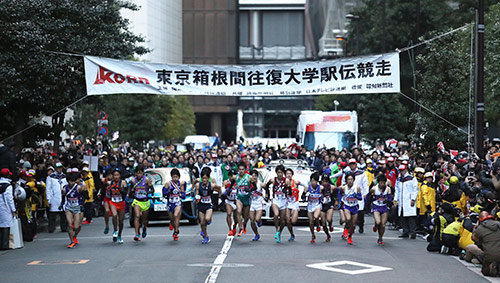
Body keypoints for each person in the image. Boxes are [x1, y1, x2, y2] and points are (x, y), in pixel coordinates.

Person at [61, 168, 87, 248]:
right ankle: (71, 241)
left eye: (72, 181)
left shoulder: (78, 187)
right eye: (69, 181)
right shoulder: (64, 188)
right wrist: (61, 204)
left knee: (77, 226)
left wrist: (84, 191)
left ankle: (75, 236)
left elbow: (84, 196)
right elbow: (63, 197)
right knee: (69, 224)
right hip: (68, 208)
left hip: (77, 208)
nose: (71, 183)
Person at [195, 167, 220, 244]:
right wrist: (197, 197)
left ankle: (209, 220)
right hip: (201, 205)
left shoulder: (211, 185)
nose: (204, 180)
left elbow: (219, 189)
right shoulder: (198, 185)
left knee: (207, 218)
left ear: (208, 178)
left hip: (209, 204)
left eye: (206, 178)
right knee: (202, 222)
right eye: (203, 178)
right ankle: (206, 236)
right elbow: (196, 193)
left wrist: (219, 198)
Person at [472, 211, 500, 277]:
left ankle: (493, 267)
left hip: (489, 255)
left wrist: (476, 227)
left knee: (485, 272)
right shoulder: (498, 224)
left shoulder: (480, 228)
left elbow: (474, 238)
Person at [394, 164, 419, 239]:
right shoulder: (399, 179)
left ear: (406, 170)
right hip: (402, 201)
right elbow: (397, 190)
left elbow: (415, 189)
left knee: (411, 217)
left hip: (409, 200)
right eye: (400, 170)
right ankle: (405, 231)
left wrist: (413, 199)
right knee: (402, 216)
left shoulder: (412, 178)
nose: (401, 172)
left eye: (402, 170)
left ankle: (412, 232)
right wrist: (395, 199)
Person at [130, 165, 154, 241]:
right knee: (137, 216)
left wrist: (147, 192)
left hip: (145, 201)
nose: (139, 175)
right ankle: (137, 234)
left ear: (143, 173)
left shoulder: (147, 180)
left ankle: (144, 228)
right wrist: (131, 193)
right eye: (138, 173)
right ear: (135, 173)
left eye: (140, 173)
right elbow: (130, 190)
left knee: (144, 220)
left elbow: (152, 189)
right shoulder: (133, 180)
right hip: (137, 201)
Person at [338, 172, 362, 245]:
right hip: (346, 205)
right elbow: (339, 194)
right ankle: (346, 229)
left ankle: (350, 236)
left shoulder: (357, 188)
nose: (350, 181)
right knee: (348, 219)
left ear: (354, 180)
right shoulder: (343, 187)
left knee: (353, 225)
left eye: (351, 179)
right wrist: (339, 201)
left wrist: (356, 195)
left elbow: (360, 198)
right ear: (346, 180)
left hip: (354, 206)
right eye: (348, 179)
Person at [162, 168, 185, 241]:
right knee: (172, 219)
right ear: (171, 177)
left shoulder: (181, 183)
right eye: (173, 176)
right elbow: (164, 194)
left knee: (176, 216)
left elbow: (183, 193)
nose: (175, 178)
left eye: (176, 177)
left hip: (177, 202)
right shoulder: (168, 183)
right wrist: (169, 191)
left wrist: (182, 195)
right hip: (170, 202)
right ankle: (173, 226)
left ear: (179, 177)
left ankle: (176, 232)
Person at [303, 172, 327, 243]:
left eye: (314, 181)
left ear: (317, 181)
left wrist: (323, 198)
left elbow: (325, 195)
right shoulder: (307, 187)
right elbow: (302, 196)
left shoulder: (321, 188)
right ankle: (313, 235)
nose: (313, 182)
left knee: (316, 217)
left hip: (317, 205)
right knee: (310, 222)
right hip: (310, 205)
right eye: (312, 181)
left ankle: (318, 224)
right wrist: (305, 195)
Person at [266, 164, 287, 243]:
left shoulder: (286, 180)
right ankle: (277, 230)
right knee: (276, 214)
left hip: (283, 201)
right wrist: (267, 194)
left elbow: (289, 190)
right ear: (276, 173)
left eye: (281, 172)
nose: (280, 174)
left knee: (282, 221)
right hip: (275, 200)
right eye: (278, 172)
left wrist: (287, 190)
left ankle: (279, 233)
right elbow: (266, 186)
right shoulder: (273, 180)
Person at [46, 162, 68, 233]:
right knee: (53, 214)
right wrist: (48, 199)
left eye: (61, 168)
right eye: (58, 168)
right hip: (54, 198)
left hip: (63, 197)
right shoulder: (50, 177)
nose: (60, 169)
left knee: (63, 214)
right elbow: (48, 189)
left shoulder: (64, 176)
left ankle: (64, 227)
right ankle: (51, 228)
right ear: (55, 169)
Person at [106, 168, 127, 244]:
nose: (116, 177)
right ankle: (115, 230)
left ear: (120, 175)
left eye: (117, 175)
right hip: (113, 202)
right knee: (114, 215)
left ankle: (119, 234)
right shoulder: (109, 183)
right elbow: (104, 190)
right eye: (114, 175)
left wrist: (121, 189)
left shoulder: (123, 182)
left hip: (121, 202)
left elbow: (125, 193)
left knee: (121, 221)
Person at [370, 174, 392, 245]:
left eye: (383, 183)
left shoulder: (388, 189)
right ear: (378, 182)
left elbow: (390, 198)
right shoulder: (374, 188)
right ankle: (376, 226)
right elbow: (369, 197)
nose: (382, 184)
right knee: (378, 222)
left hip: (384, 207)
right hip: (376, 206)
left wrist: (388, 201)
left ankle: (380, 238)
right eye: (381, 182)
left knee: (383, 225)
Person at [0, 168, 16, 250]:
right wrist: (13, 210)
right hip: (5, 208)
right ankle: (5, 245)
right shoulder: (8, 186)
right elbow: (10, 199)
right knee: (6, 226)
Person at [235, 162, 251, 237]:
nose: (241, 171)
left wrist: (250, 188)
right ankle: (240, 228)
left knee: (246, 216)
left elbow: (254, 186)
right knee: (238, 211)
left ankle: (244, 225)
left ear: (245, 170)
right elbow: (231, 183)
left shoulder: (249, 177)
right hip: (239, 197)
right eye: (240, 169)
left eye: (242, 169)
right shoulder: (236, 177)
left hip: (247, 198)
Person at [285, 168, 301, 242]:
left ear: (292, 175)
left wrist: (305, 192)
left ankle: (291, 232)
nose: (288, 175)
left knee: (293, 221)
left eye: (290, 174)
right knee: (288, 221)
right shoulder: (283, 183)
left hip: (295, 203)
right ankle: (292, 234)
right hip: (287, 204)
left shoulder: (296, 182)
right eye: (287, 173)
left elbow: (306, 185)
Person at [249, 169, 264, 241]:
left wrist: (267, 196)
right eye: (252, 176)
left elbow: (266, 189)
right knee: (252, 221)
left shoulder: (260, 184)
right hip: (251, 203)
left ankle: (259, 221)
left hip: (259, 203)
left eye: (255, 176)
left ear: (257, 177)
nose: (254, 177)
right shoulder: (249, 183)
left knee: (257, 219)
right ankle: (256, 234)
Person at [222, 170, 238, 236]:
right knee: (229, 214)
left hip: (236, 201)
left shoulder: (238, 182)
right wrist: (226, 190)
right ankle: (230, 229)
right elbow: (222, 191)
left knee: (236, 217)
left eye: (233, 175)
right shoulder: (226, 182)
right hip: (229, 201)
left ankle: (234, 227)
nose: (232, 177)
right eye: (230, 175)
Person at [98, 169, 113, 235]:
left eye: (110, 175)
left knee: (114, 214)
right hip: (106, 198)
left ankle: (115, 228)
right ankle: (107, 225)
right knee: (106, 211)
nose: (109, 176)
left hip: (114, 198)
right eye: (108, 175)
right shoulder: (104, 181)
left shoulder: (115, 181)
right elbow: (101, 189)